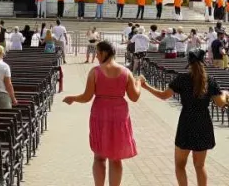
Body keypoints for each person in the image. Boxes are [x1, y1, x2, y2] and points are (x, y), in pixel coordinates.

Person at [140, 50, 229, 186]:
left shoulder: (182, 79)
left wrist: (145, 86)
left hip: (186, 123)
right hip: (203, 123)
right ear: (203, 62)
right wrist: (225, 94)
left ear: (189, 63)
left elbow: (163, 95)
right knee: (200, 166)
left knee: (180, 165)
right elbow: (220, 103)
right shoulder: (210, 80)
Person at [63, 41, 141, 186]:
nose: (97, 56)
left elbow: (87, 97)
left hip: (100, 114)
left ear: (104, 53)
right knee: (116, 158)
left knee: (99, 157)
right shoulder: (126, 72)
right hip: (119, 115)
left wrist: (73, 98)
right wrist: (138, 83)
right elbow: (134, 97)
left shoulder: (95, 72)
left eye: (97, 53)